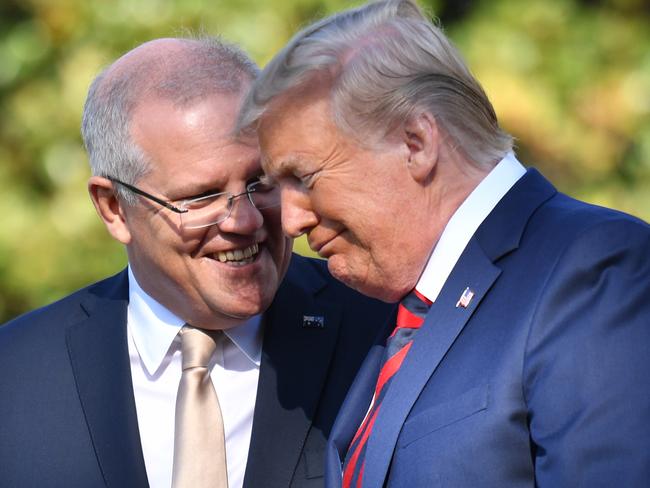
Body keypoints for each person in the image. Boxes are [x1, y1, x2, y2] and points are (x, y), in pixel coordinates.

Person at [237, 0, 650, 486]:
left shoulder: (594, 269)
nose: (289, 220)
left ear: (416, 143)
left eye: (303, 178)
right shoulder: (396, 310)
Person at [0, 37, 393, 488]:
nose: (245, 220)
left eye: (261, 182)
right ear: (113, 207)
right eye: (201, 197)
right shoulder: (15, 377)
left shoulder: (383, 330)